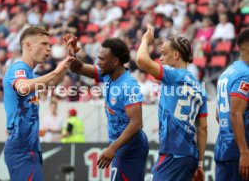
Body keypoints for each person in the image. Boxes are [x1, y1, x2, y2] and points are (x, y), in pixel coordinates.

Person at [67, 35, 149, 180]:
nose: (98, 63)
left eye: (102, 59)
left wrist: (112, 148)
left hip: (131, 149)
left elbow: (136, 123)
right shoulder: (106, 74)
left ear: (115, 61)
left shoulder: (128, 86)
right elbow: (77, 67)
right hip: (120, 147)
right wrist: (72, 55)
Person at [136, 25, 208, 181]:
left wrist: (145, 40)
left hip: (172, 153)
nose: (160, 59)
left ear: (176, 55)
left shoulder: (173, 75)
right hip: (190, 156)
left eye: (163, 53)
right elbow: (202, 128)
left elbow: (141, 59)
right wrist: (200, 164)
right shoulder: (200, 88)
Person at [3, 26, 74, 180]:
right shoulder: (18, 68)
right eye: (44, 44)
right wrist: (56, 71)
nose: (49, 48)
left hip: (30, 147)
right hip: (21, 149)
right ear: (28, 45)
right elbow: (22, 87)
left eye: (49, 45)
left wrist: (68, 60)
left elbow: (53, 82)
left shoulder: (31, 74)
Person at [214, 30, 249, 181]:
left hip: (222, 147)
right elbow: (235, 114)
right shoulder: (245, 74)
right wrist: (244, 152)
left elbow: (218, 114)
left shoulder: (227, 73)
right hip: (239, 151)